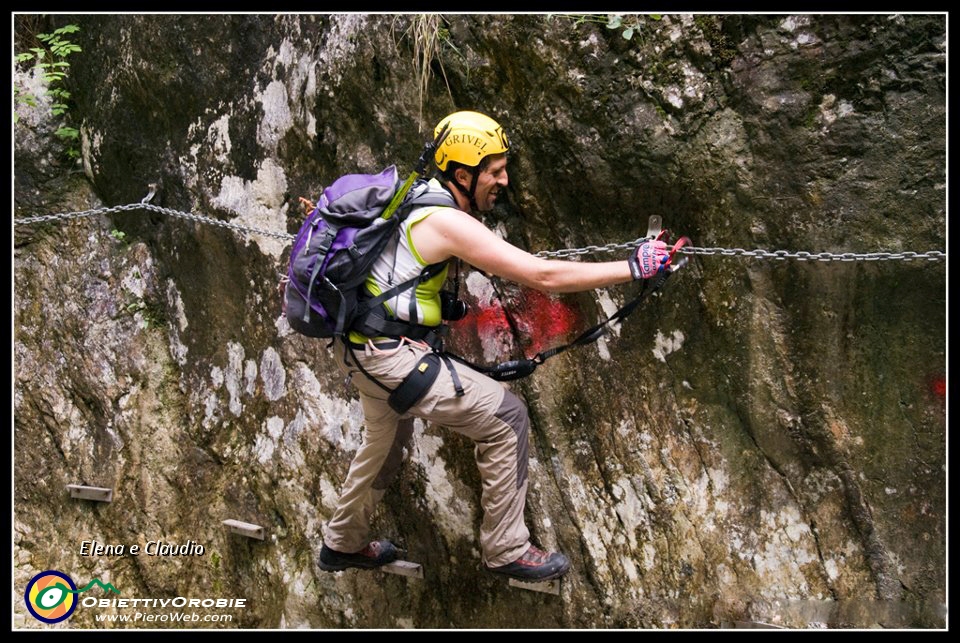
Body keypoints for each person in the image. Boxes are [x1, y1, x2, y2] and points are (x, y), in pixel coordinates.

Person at [318, 110, 671, 581]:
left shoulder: (416, 198)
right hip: (390, 356)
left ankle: (341, 543)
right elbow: (542, 275)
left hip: (362, 348)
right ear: (462, 174)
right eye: (495, 170)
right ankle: (506, 549)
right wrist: (633, 267)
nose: (504, 180)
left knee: (384, 441)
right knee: (506, 417)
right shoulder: (447, 221)